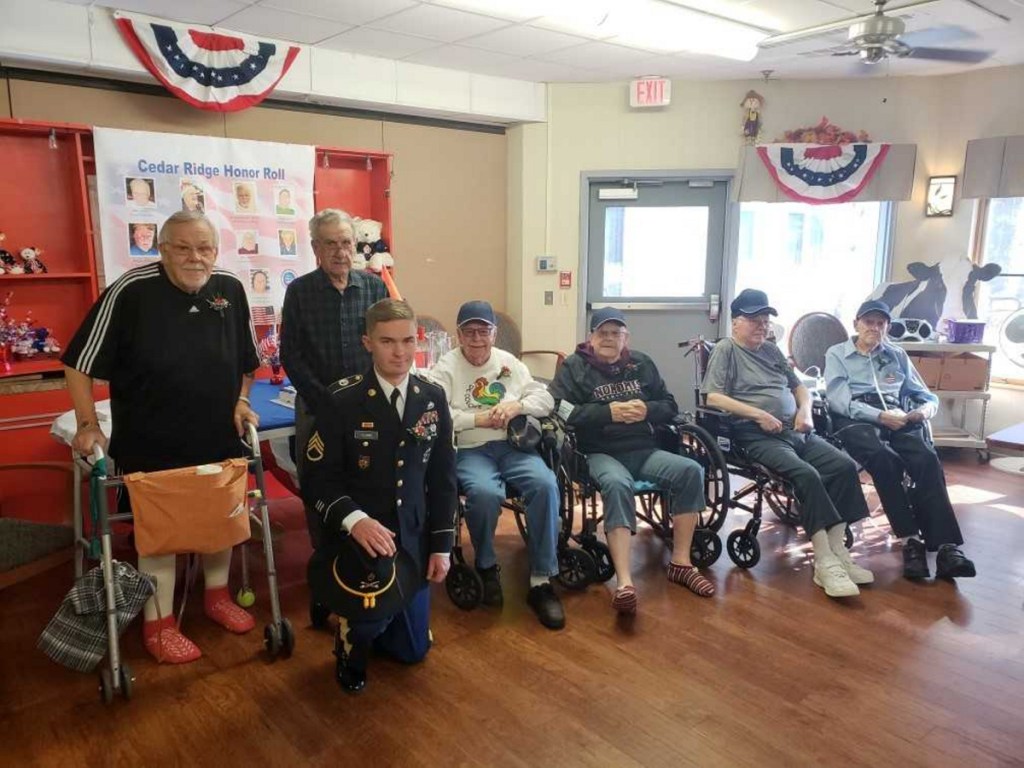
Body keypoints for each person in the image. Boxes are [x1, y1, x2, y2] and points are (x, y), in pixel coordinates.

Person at [62, 211, 261, 664]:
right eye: (183, 248)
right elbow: (77, 362)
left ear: (216, 250)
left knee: (221, 523)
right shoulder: (131, 291)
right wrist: (88, 423)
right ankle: (159, 623)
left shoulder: (230, 288)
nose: (196, 258)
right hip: (152, 439)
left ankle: (217, 597)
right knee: (161, 535)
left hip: (217, 434)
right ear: (162, 249)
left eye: (205, 248)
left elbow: (247, 362)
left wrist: (241, 399)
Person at [302, 298, 456, 693]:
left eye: (407, 341)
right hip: (362, 541)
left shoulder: (432, 397)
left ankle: (383, 618)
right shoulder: (342, 400)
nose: (400, 352)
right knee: (371, 622)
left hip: (413, 536)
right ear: (367, 342)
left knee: (412, 652)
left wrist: (441, 546)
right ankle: (350, 635)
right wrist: (356, 521)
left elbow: (442, 478)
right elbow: (318, 480)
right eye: (388, 341)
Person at [702, 288, 872, 599]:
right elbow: (713, 396)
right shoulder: (726, 350)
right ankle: (823, 562)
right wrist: (757, 415)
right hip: (755, 435)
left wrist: (805, 412)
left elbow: (800, 388)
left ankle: (839, 553)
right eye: (754, 320)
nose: (762, 326)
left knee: (844, 466)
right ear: (736, 323)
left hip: (796, 432)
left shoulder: (772, 351)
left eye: (765, 321)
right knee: (805, 475)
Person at [548, 308, 714, 615]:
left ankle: (681, 562)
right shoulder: (574, 367)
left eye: (616, 333)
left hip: (645, 450)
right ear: (591, 337)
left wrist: (646, 410)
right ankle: (624, 582)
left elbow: (669, 404)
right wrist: (606, 413)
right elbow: (559, 409)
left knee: (690, 470)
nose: (609, 339)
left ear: (627, 338)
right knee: (616, 482)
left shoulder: (641, 363)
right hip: (598, 452)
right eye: (603, 333)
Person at [429, 300, 564, 629]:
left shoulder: (509, 363)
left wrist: (517, 406)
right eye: (470, 331)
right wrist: (479, 417)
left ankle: (540, 580)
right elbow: (437, 413)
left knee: (545, 484)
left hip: (513, 446)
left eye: (484, 331)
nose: (477, 338)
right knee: (485, 494)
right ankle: (487, 565)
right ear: (459, 335)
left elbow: (544, 399)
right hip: (470, 449)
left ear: (494, 333)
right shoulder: (445, 368)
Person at [824, 299, 976, 581]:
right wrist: (879, 416)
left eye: (881, 323)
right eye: (869, 322)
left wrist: (922, 411)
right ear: (856, 323)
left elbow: (927, 396)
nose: (875, 328)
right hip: (856, 418)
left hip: (899, 414)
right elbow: (837, 400)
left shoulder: (896, 355)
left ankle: (946, 548)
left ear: (888, 327)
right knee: (885, 460)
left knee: (927, 458)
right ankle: (911, 542)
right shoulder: (837, 354)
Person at [281, 208, 388, 497]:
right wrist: (324, 399)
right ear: (316, 247)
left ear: (355, 244)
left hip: (367, 404)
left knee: (370, 477)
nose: (340, 252)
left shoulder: (375, 288)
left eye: (346, 242)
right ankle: (323, 543)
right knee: (318, 481)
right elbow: (290, 354)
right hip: (317, 407)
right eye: (330, 243)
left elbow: (387, 344)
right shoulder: (299, 291)